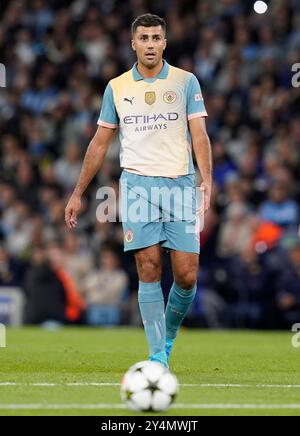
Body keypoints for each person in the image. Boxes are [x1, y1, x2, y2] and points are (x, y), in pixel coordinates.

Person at [65, 14, 212, 368]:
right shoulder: (116, 87)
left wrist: (206, 179)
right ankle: (157, 355)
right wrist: (78, 192)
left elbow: (200, 136)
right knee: (148, 268)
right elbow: (99, 143)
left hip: (179, 182)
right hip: (136, 186)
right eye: (143, 38)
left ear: (165, 42)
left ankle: (169, 337)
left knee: (187, 274)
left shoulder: (185, 82)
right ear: (133, 43)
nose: (149, 44)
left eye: (156, 37)